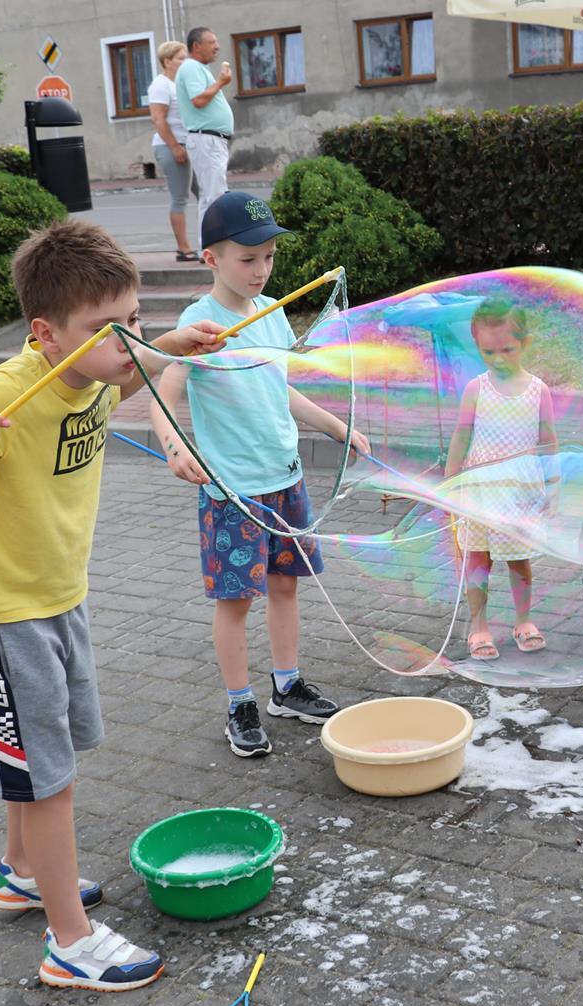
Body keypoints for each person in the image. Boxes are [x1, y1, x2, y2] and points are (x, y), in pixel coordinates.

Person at [0, 222, 226, 992]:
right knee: (48, 777)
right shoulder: (4, 395)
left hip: (61, 595)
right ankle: (70, 942)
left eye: (133, 319)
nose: (125, 339)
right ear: (45, 333)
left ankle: (21, 872)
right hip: (4, 615)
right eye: (106, 327)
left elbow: (121, 378)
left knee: (41, 756)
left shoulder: (94, 368)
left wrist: (170, 344)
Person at [149, 192, 370, 757]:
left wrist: (335, 426)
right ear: (211, 259)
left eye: (268, 257)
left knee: (285, 585)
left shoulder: (271, 313)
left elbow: (278, 388)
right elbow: (162, 392)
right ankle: (239, 703)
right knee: (235, 600)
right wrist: (175, 447)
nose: (261, 269)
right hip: (234, 491)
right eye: (247, 258)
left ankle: (287, 686)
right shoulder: (198, 323)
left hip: (285, 479)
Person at [443, 299, 557, 660]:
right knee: (477, 561)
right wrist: (450, 481)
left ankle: (523, 621)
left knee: (519, 560)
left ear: (525, 343)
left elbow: (548, 440)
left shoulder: (538, 390)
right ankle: (479, 626)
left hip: (520, 491)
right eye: (488, 351)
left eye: (507, 349)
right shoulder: (476, 389)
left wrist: (552, 484)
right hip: (480, 488)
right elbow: (462, 436)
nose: (498, 358)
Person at [177, 26, 235, 248]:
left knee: (209, 195)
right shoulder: (191, 67)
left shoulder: (198, 68)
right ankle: (217, 246)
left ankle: (208, 246)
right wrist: (220, 82)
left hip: (209, 139)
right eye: (211, 42)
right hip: (207, 139)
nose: (217, 47)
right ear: (196, 46)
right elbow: (198, 100)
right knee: (215, 195)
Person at [147, 40, 199, 261]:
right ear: (167, 61)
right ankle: (183, 249)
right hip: (171, 146)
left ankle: (211, 243)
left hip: (190, 144)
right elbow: (158, 119)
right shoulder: (160, 85)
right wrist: (175, 147)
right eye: (181, 58)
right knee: (180, 198)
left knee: (206, 194)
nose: (185, 61)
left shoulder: (181, 82)